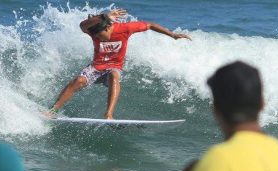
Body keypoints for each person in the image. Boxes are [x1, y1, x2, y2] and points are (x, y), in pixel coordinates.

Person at [47, 9, 191, 119]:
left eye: (100, 36)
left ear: (108, 28)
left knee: (114, 76)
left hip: (114, 66)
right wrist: (104, 16)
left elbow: (150, 25)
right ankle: (53, 110)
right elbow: (82, 25)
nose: (98, 39)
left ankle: (108, 115)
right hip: (96, 67)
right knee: (78, 80)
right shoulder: (94, 31)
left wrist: (172, 35)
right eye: (96, 37)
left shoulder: (125, 29)